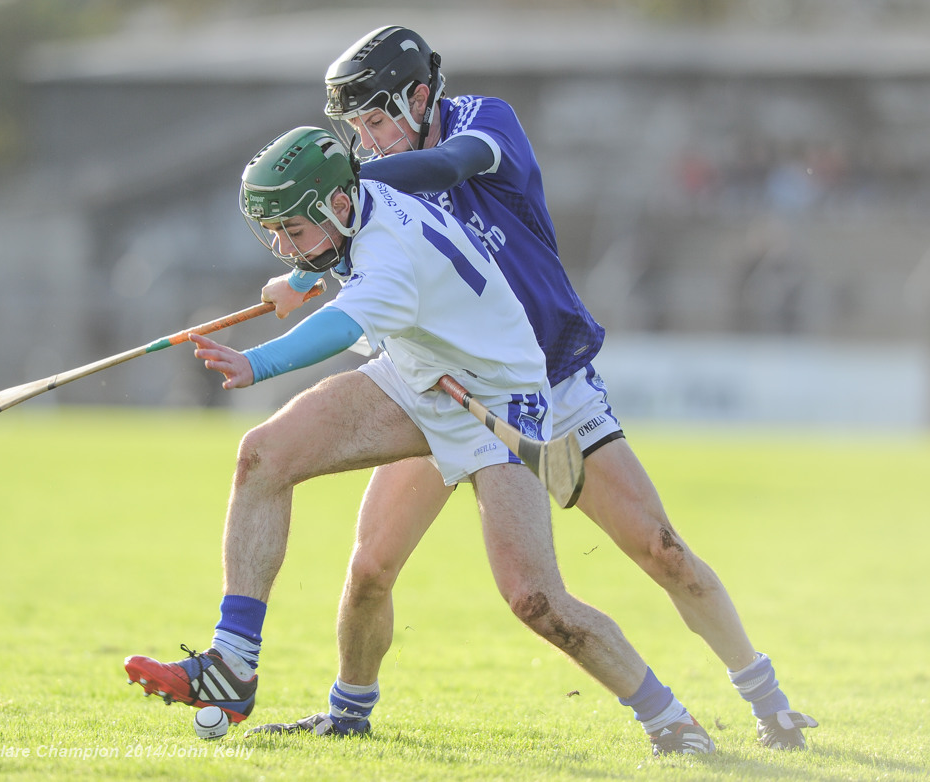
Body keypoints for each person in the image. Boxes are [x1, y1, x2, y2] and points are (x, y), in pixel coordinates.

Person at [252, 26, 817, 752]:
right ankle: (349, 711)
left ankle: (768, 701)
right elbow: (343, 235)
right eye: (355, 127)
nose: (368, 140)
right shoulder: (374, 176)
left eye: (377, 118)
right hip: (442, 385)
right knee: (369, 571)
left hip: (550, 387)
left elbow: (445, 167)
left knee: (662, 550)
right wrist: (300, 276)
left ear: (420, 95)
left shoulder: (484, 124)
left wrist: (346, 187)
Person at [124, 125, 714, 757]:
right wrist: (300, 275)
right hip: (418, 375)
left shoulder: (389, 252)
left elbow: (344, 321)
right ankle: (239, 667)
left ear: (338, 207)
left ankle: (672, 721)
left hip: (496, 399)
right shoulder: (358, 196)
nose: (280, 244)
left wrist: (258, 363)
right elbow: (334, 261)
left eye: (291, 231)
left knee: (535, 599)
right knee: (273, 467)